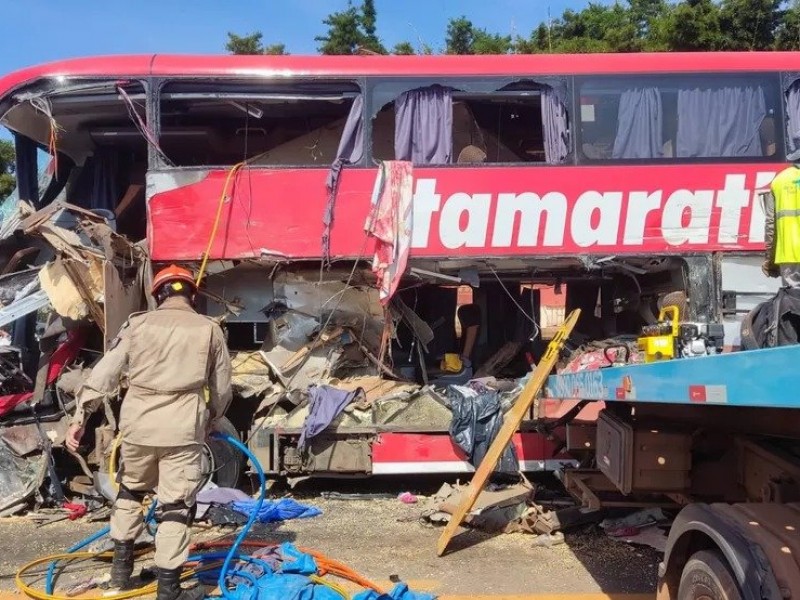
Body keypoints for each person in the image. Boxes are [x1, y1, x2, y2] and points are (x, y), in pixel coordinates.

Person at [65, 265, 232, 600]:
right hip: (182, 429)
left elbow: (105, 372)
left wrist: (80, 416)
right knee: (175, 506)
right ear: (192, 294)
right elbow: (223, 386)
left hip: (138, 426)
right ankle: (169, 590)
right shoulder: (209, 329)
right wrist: (213, 416)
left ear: (158, 295)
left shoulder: (138, 324)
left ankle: (120, 577)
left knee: (130, 494)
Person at [763, 162, 800, 288]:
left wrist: (769, 258)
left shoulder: (779, 181)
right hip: (789, 257)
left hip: (789, 256)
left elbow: (770, 225)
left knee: (793, 302)